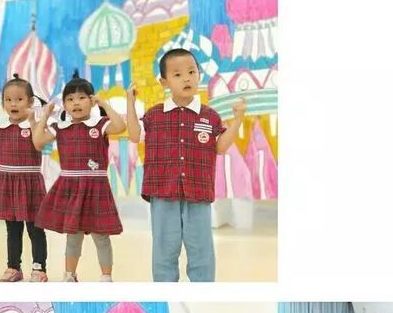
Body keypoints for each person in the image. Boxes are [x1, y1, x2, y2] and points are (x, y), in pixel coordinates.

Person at [126, 49, 245, 282]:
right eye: (178, 74)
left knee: (201, 251)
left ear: (199, 75)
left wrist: (238, 119)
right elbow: (133, 134)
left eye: (192, 72)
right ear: (164, 82)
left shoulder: (210, 116)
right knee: (164, 251)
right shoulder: (154, 115)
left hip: (198, 192)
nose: (187, 78)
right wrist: (130, 103)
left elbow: (220, 147)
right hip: (162, 191)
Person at [33, 73, 125, 282]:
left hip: (96, 187)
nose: (76, 102)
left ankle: (106, 277)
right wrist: (45, 116)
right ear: (64, 105)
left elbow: (120, 126)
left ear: (91, 101)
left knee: (101, 235)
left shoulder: (99, 124)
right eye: (70, 99)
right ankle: (69, 275)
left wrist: (104, 104)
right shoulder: (60, 128)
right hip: (71, 187)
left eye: (82, 97)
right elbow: (38, 142)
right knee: (73, 235)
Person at [0, 74, 49, 282]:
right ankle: (13, 267)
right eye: (8, 99)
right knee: (12, 229)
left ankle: (39, 268)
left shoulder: (36, 124)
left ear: (30, 102)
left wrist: (33, 121)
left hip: (30, 181)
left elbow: (39, 144)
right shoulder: (0, 123)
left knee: (36, 228)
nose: (13, 104)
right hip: (7, 181)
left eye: (19, 99)